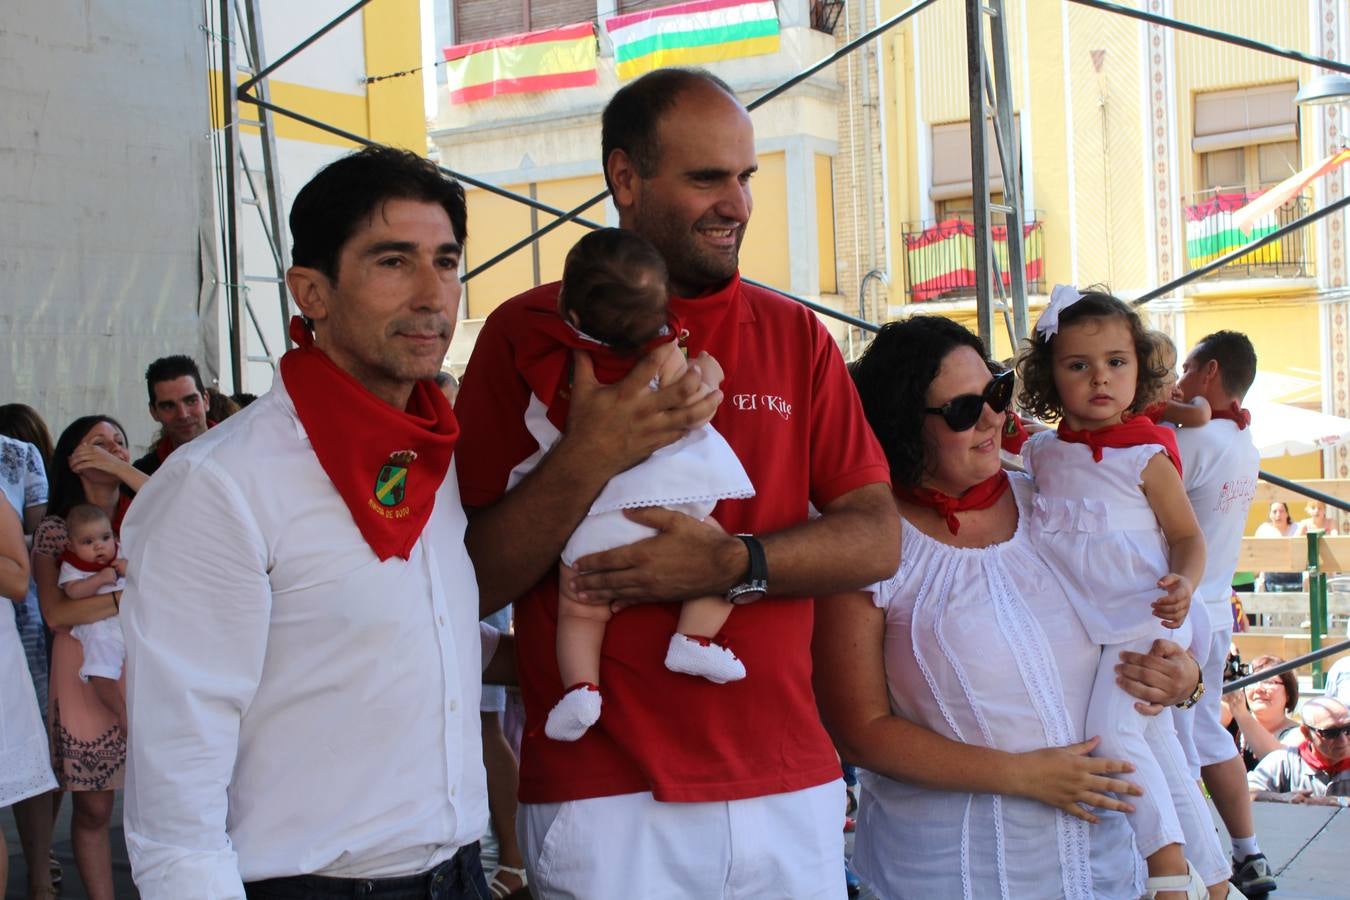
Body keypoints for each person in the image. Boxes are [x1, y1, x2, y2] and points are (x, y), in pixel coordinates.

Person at [454, 67, 900, 897]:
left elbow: (876, 536)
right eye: (706, 178)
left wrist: (734, 565)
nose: (737, 202)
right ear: (625, 177)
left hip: (789, 785)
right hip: (606, 797)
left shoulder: (796, 333)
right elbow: (467, 576)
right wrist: (592, 452)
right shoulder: (526, 333)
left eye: (746, 176)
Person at [121, 146, 490, 899]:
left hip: (459, 875)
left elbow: (408, 645)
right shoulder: (217, 485)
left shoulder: (437, 456)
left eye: (446, 262)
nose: (433, 295)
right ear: (311, 292)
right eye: (394, 262)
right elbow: (175, 804)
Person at [814, 315, 1206, 898]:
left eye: (996, 392)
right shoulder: (867, 543)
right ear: (901, 426)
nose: (995, 418)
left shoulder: (1056, 500)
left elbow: (1136, 607)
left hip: (1106, 866)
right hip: (955, 871)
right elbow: (859, 729)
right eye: (962, 410)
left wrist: (1185, 681)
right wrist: (1023, 775)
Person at [1013, 286, 1220, 898]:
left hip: (1145, 615)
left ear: (1140, 369)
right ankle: (1212, 875)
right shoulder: (1044, 453)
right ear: (1051, 377)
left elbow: (1187, 536)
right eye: (1078, 365)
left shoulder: (1147, 456)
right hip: (1095, 626)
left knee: (1111, 732)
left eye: (1116, 362)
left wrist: (1184, 582)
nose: (1100, 378)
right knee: (1158, 746)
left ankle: (1165, 872)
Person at [515, 228, 753, 740]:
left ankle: (581, 689)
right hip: (665, 503)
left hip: (593, 515)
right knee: (722, 560)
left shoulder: (557, 356)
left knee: (579, 609)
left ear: (570, 311)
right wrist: (707, 366)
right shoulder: (665, 354)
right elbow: (695, 393)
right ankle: (693, 639)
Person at [1168, 329, 1276, 897]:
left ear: (1209, 372)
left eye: (1185, 368)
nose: (1179, 381)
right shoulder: (1243, 441)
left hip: (1179, 610)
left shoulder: (1193, 441)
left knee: (1175, 742)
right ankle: (1247, 852)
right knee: (1207, 731)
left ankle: (1198, 866)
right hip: (1213, 610)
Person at [30, 415, 143, 900]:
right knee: (95, 809)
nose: (114, 449)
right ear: (75, 458)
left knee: (163, 796)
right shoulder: (57, 530)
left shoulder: (145, 511)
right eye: (99, 443)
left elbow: (184, 499)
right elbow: (57, 613)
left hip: (146, 663)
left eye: (120, 441)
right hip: (84, 672)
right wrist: (128, 597)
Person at [0, 404, 60, 897]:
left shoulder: (14, 456)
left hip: (24, 617)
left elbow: (39, 538)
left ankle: (42, 872)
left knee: (30, 744)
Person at [55, 504, 128, 734]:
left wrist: (129, 567)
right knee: (101, 669)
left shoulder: (121, 551)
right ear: (71, 545)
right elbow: (73, 592)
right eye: (88, 542)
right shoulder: (72, 565)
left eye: (105, 537)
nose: (99, 546)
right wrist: (98, 580)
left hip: (129, 619)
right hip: (99, 626)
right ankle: (121, 712)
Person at [1248, 697, 1350, 804]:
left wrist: (1336, 801)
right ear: (1306, 733)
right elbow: (1246, 792)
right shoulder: (1284, 761)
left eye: (1348, 728)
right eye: (1330, 733)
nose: (1343, 740)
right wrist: (1281, 798)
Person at [130, 355, 209, 476]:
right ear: (153, 412)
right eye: (168, 406)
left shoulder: (240, 450)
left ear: (206, 401)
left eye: (191, 401)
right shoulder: (143, 472)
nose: (183, 414)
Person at [1221, 655, 1302, 771]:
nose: (1258, 688)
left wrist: (1240, 712)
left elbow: (1280, 765)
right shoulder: (1230, 716)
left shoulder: (1300, 733)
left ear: (1288, 693)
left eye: (1269, 682)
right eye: (1251, 680)